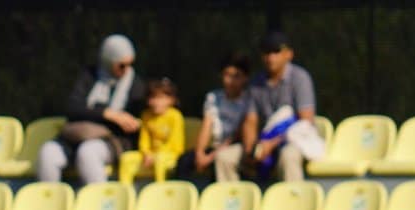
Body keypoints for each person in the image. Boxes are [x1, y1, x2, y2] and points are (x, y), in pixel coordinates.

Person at [37, 35, 147, 184]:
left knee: (88, 152)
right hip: (75, 137)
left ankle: (96, 203)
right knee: (48, 153)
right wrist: (108, 114)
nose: (126, 70)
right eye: (121, 65)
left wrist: (118, 119)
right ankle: (50, 203)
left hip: (110, 140)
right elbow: (73, 108)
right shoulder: (90, 76)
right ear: (108, 61)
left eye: (129, 64)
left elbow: (134, 120)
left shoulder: (134, 84)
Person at [224, 31, 319, 183]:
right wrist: (251, 150)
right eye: (266, 52)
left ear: (289, 54)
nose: (271, 57)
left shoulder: (300, 78)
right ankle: (234, 204)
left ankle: (293, 204)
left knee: (288, 156)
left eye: (276, 52)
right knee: (225, 158)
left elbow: (305, 122)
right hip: (263, 143)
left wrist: (272, 144)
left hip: (296, 141)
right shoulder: (256, 83)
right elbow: (250, 121)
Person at [182, 53, 251, 182]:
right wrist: (199, 154)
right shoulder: (214, 97)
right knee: (184, 161)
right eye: (226, 74)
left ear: (245, 78)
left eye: (236, 76)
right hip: (216, 145)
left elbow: (239, 135)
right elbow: (207, 126)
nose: (229, 81)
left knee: (221, 159)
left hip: (236, 146)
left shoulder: (249, 100)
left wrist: (212, 156)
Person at [117, 78, 184, 184]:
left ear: (171, 100)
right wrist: (146, 153)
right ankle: (125, 193)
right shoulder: (146, 115)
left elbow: (176, 144)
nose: (156, 102)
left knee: (159, 161)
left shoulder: (175, 116)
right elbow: (144, 140)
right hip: (150, 155)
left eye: (161, 98)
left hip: (169, 154)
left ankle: (159, 191)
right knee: (126, 158)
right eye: (153, 98)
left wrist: (156, 154)